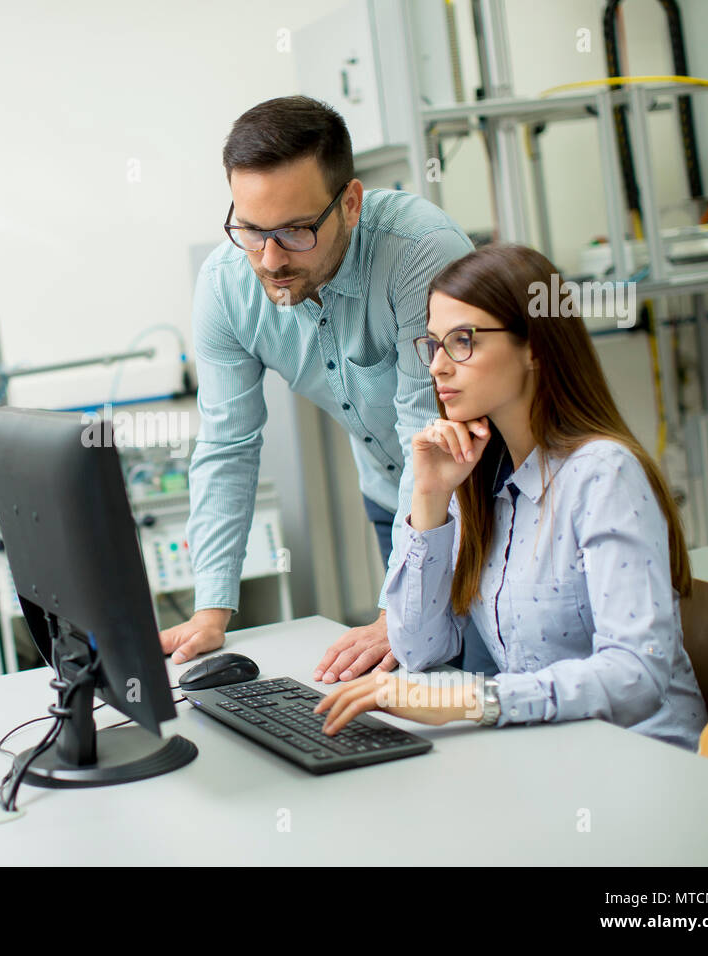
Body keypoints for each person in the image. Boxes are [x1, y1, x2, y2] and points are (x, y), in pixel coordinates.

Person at [313, 243, 708, 751]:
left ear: (534, 347)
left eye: (463, 342)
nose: (437, 367)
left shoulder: (603, 474)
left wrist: (467, 702)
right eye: (433, 345)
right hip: (549, 753)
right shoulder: (478, 477)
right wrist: (430, 497)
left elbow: (636, 675)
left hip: (642, 759)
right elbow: (417, 649)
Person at [158, 95, 476, 681]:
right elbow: (228, 445)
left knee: (485, 687)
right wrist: (211, 608)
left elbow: (424, 433)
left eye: (297, 230)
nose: (271, 259)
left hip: (481, 499)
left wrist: (395, 614)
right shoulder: (227, 286)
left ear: (350, 204)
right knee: (418, 687)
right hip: (391, 500)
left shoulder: (419, 254)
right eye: (251, 230)